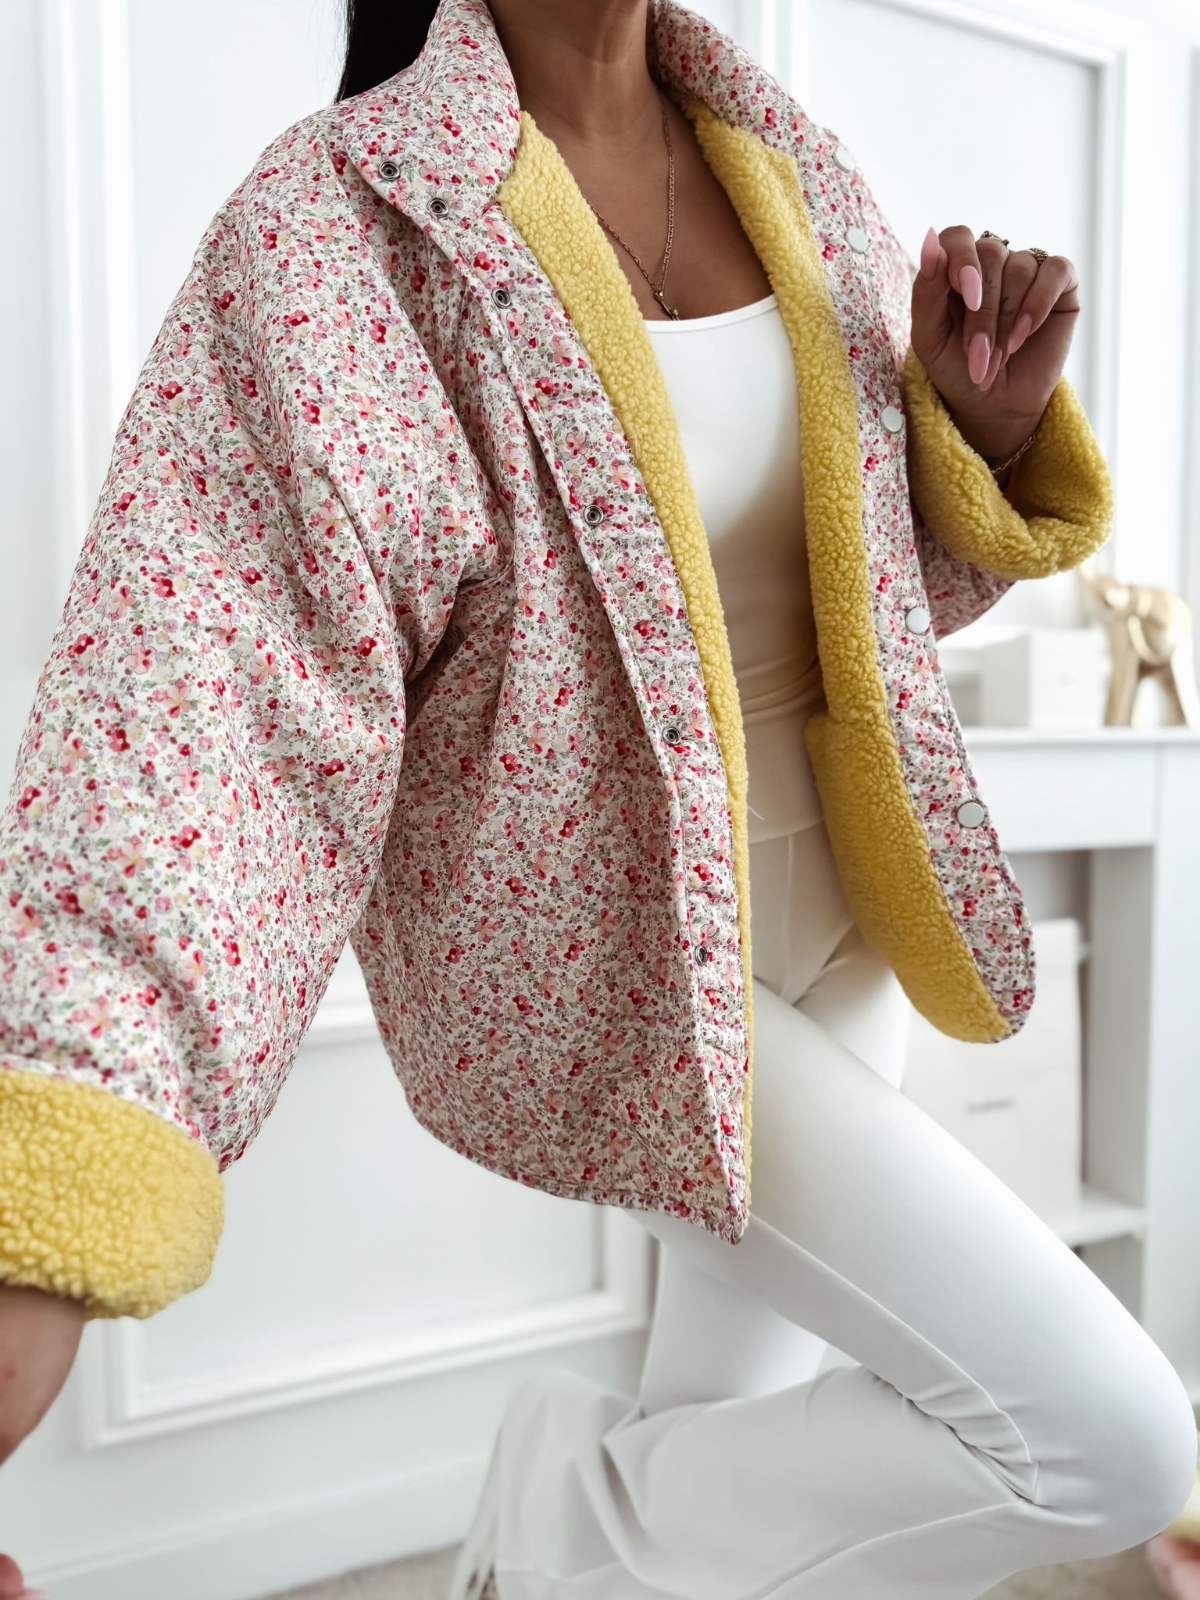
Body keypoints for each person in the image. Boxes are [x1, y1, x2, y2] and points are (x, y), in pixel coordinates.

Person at [0, 1, 1194, 1596]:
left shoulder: (794, 172)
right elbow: (207, 695)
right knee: (1111, 1438)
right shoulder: (347, 225)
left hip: (847, 924)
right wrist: (76, 1121)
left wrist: (980, 434)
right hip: (635, 974)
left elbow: (865, 600)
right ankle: (558, 1508)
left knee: (718, 1480)